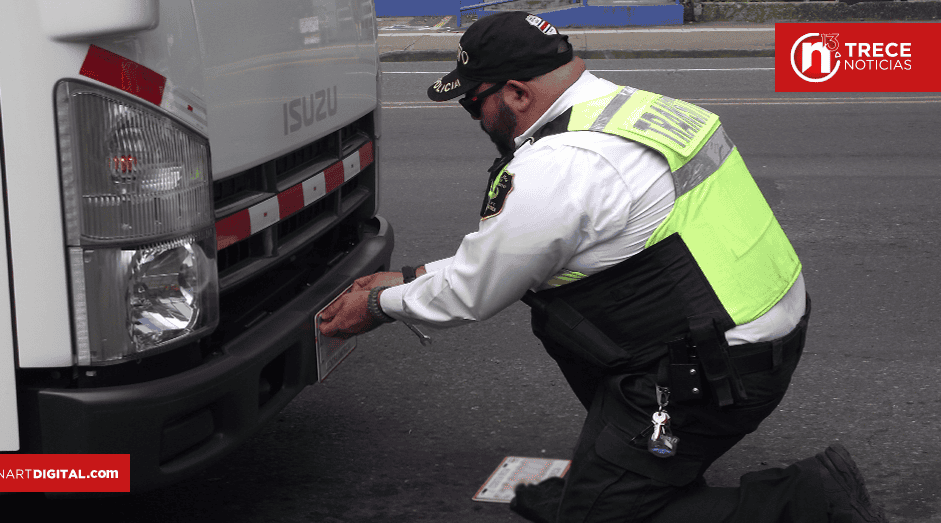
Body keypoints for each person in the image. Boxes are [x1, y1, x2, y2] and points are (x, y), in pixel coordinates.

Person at [317, 11, 888, 523]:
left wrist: (379, 304)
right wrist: (410, 278)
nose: (475, 117)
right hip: (758, 325)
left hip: (718, 371)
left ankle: (812, 500)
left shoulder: (563, 165)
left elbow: (473, 289)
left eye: (473, 102)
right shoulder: (639, 109)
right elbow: (514, 255)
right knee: (575, 329)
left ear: (517, 93)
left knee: (598, 517)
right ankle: (629, 474)